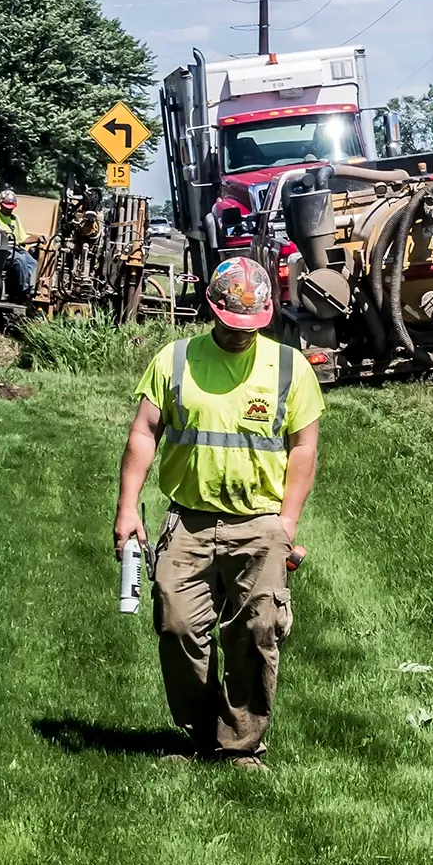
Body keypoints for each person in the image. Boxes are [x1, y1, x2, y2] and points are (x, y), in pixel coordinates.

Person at [114, 257, 323, 769]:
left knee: (256, 632)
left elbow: (304, 449)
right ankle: (202, 733)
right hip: (188, 521)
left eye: (251, 327)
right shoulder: (175, 360)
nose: (240, 336)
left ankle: (241, 745)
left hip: (259, 524)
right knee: (178, 627)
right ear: (211, 309)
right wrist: (126, 508)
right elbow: (144, 432)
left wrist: (287, 523)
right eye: (231, 326)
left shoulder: (290, 368)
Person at [0, 189, 38, 300]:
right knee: (20, 260)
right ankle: (22, 291)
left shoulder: (15, 219)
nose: (8, 210)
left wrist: (38, 238)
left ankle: (30, 289)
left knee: (33, 263)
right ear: (0, 204)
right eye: (6, 207)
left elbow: (22, 238)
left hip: (15, 249)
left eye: (11, 208)